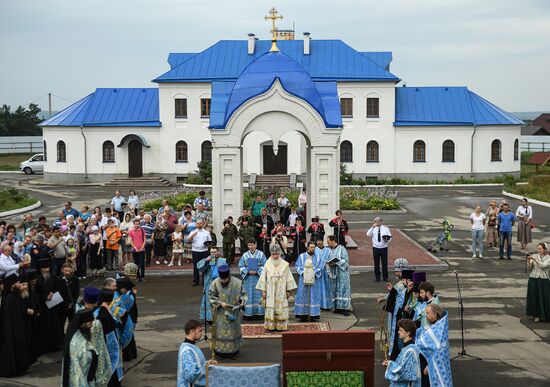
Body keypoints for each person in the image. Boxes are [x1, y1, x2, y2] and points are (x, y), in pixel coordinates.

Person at [61, 309, 112, 387]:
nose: (92, 325)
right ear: (82, 324)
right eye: (90, 323)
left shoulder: (78, 332)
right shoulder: (76, 341)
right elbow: (83, 359)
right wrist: (92, 353)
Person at [256, 244, 297, 331]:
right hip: (270, 290)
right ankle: (271, 325)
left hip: (281, 290)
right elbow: (263, 278)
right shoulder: (267, 264)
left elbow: (289, 278)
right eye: (273, 254)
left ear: (280, 253)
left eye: (277, 254)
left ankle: (281, 325)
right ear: (271, 254)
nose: (275, 256)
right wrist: (263, 291)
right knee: (271, 306)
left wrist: (288, 291)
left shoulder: (285, 265)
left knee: (281, 307)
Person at [208, 264, 247, 358]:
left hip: (234, 311)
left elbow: (244, 294)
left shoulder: (237, 282)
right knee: (220, 332)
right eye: (222, 280)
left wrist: (242, 302)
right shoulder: (215, 283)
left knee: (233, 331)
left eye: (226, 280)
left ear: (229, 276)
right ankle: (220, 352)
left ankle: (234, 351)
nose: (224, 281)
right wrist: (220, 303)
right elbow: (211, 296)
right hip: (220, 312)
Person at [0, 274, 31, 377]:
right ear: (12, 285)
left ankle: (20, 368)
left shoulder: (14, 296)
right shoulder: (9, 298)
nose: (19, 284)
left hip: (18, 328)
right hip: (12, 330)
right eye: (17, 283)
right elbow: (8, 318)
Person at [416, 304, 453, 387]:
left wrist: (430, 366)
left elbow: (439, 351)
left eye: (428, 313)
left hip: (432, 365)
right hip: (426, 362)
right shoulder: (435, 325)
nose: (426, 316)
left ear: (435, 314)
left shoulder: (439, 328)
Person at [94, 288, 123, 386]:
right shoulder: (102, 312)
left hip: (108, 339)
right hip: (107, 340)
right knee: (109, 361)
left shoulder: (99, 310)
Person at [177, 319, 216, 387]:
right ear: (192, 332)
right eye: (200, 331)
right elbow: (190, 375)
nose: (202, 333)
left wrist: (207, 363)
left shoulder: (190, 345)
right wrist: (206, 368)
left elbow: (196, 363)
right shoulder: (187, 351)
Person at [36, 258, 63, 354]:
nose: (46, 270)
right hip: (43, 306)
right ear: (40, 269)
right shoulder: (37, 279)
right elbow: (36, 294)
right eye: (44, 268)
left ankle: (56, 344)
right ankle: (46, 346)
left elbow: (58, 288)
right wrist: (44, 297)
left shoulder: (53, 276)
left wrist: (53, 293)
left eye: (47, 268)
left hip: (53, 305)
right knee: (45, 326)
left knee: (54, 325)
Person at [383, 319, 422, 387]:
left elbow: (407, 373)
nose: (398, 332)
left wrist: (390, 364)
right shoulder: (406, 347)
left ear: (408, 332)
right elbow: (402, 366)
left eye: (401, 330)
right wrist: (389, 363)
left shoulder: (411, 350)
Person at [388, 269, 415, 361]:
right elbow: (399, 299)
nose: (403, 282)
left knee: (403, 343)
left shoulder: (414, 293)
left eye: (404, 280)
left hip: (408, 322)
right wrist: (392, 290)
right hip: (400, 319)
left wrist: (407, 310)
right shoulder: (405, 290)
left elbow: (412, 306)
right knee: (398, 341)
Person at [294, 241, 323, 322]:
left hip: (314, 280)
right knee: (303, 296)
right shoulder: (302, 256)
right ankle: (303, 315)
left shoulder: (317, 257)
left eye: (314, 247)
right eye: (311, 247)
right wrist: (304, 273)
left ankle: (313, 315)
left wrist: (313, 272)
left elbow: (320, 267)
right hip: (303, 280)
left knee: (313, 296)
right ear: (307, 247)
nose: (313, 249)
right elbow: (297, 265)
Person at [197, 247, 227, 322]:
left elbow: (227, 272)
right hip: (209, 284)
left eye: (214, 252)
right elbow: (200, 269)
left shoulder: (223, 261)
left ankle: (220, 316)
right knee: (208, 300)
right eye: (211, 252)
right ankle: (209, 318)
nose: (213, 254)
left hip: (219, 284)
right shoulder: (206, 260)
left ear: (218, 252)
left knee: (219, 299)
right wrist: (207, 262)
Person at [239, 240, 266, 319]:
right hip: (248, 278)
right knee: (248, 295)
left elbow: (265, 265)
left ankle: (259, 313)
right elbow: (241, 266)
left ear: (255, 245)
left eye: (252, 245)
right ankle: (248, 313)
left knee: (259, 294)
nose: (250, 247)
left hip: (258, 278)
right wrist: (247, 271)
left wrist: (257, 271)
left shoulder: (261, 254)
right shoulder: (245, 255)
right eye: (249, 245)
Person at [327, 235, 351, 316]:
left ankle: (346, 308)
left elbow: (346, 260)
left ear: (333, 240)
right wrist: (330, 263)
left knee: (343, 289)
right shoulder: (331, 250)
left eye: (328, 241)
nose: (328, 243)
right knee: (336, 289)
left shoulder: (342, 248)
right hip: (335, 273)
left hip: (342, 274)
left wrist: (337, 262)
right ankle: (338, 307)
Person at [526, 242, 550, 322]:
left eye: (540, 249)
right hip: (533, 278)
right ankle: (535, 314)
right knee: (534, 297)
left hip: (544, 280)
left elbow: (542, 265)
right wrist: (528, 260)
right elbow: (529, 268)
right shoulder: (535, 256)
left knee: (544, 298)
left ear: (545, 249)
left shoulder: (548, 258)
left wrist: (534, 259)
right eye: (538, 248)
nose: (538, 250)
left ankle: (543, 315)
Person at [367, 216, 392, 282]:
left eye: (378, 221)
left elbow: (390, 237)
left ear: (381, 221)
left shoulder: (385, 228)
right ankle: (377, 277)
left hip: (383, 248)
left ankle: (385, 277)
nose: (376, 223)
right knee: (376, 263)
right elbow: (368, 234)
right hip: (375, 248)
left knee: (384, 263)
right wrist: (372, 227)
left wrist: (387, 240)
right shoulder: (373, 229)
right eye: (375, 221)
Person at [188, 220, 212, 287]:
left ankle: (204, 281)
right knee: (196, 266)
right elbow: (188, 241)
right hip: (195, 251)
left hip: (204, 251)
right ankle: (195, 281)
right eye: (198, 223)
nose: (199, 224)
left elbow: (210, 242)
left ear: (203, 224)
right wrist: (192, 235)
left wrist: (208, 244)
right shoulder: (193, 232)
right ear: (196, 224)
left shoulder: (206, 232)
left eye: (200, 223)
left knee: (205, 266)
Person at [57, 263, 80, 331]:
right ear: (62, 270)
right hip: (62, 306)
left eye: (69, 271)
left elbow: (76, 292)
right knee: (61, 324)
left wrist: (72, 303)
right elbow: (58, 294)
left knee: (72, 324)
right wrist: (66, 304)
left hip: (72, 305)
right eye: (66, 271)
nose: (67, 272)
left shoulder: (75, 279)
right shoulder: (58, 279)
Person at [315, 238, 333, 310]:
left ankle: (326, 305)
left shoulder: (328, 250)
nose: (318, 242)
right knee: (317, 288)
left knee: (326, 288)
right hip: (317, 273)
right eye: (317, 241)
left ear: (322, 241)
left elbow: (331, 259)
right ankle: (317, 304)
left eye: (320, 241)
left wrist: (330, 263)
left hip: (325, 272)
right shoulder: (314, 250)